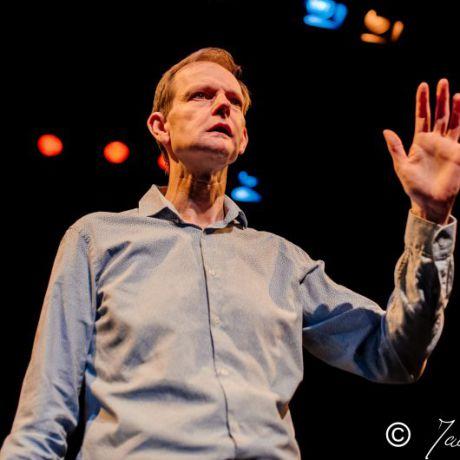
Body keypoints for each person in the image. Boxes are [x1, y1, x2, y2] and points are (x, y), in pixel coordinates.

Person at [1, 47, 458, 460]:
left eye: (233, 103)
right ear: (160, 126)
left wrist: (430, 218)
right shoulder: (97, 238)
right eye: (200, 96)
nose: (222, 105)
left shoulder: (282, 261)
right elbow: (43, 415)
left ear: (241, 139)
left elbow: (393, 354)